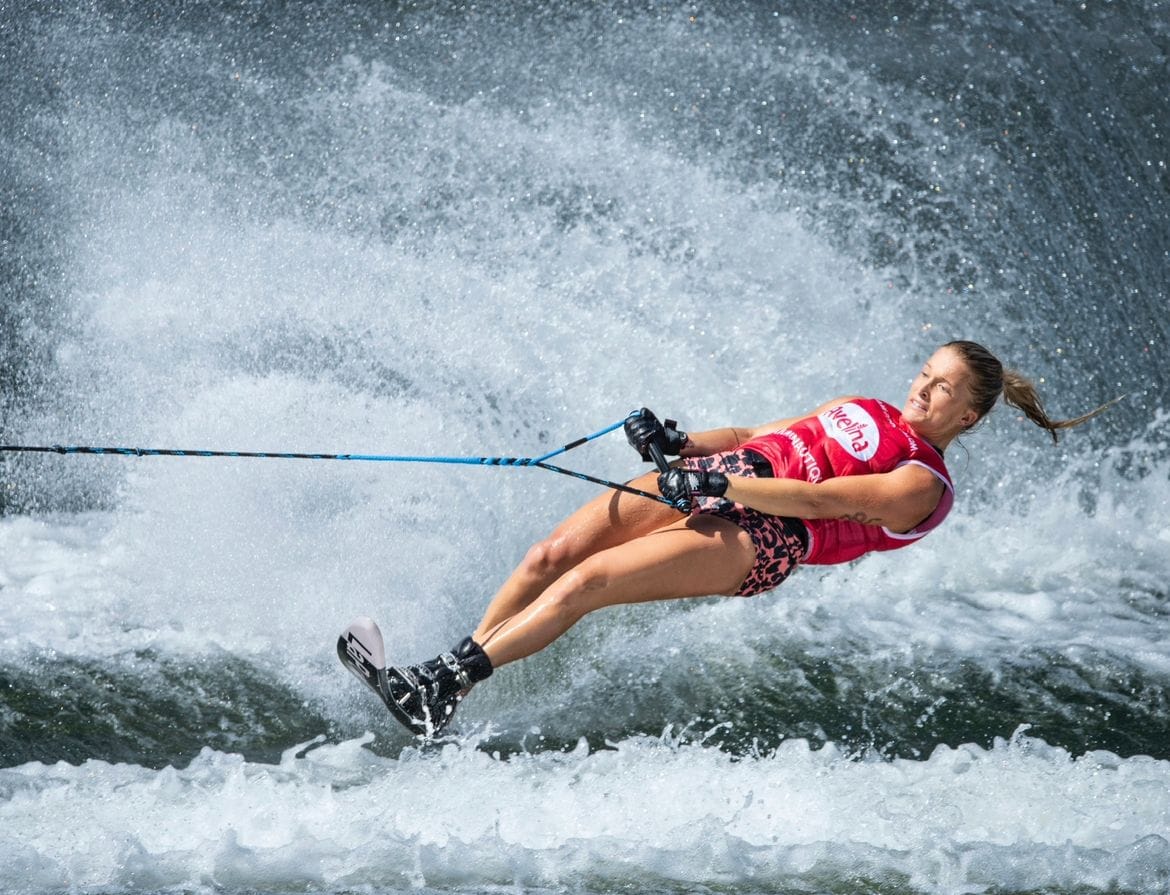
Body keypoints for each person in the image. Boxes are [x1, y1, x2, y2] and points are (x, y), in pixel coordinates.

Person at [386, 340, 1115, 734]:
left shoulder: (924, 483)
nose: (921, 390)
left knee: (588, 584)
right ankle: (444, 688)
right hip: (730, 472)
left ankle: (444, 679)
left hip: (765, 534)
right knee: (551, 556)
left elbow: (817, 496)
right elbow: (758, 436)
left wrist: (719, 485)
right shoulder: (861, 405)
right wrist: (678, 439)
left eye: (942, 389)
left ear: (968, 418)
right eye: (925, 373)